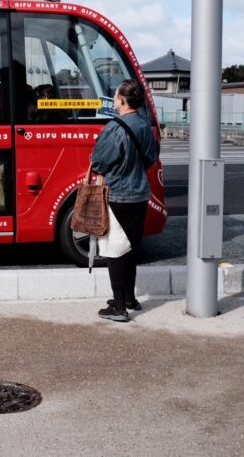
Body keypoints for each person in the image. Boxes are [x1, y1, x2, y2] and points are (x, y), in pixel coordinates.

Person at [88, 78, 159, 323]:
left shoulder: (115, 127)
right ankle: (129, 298)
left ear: (121, 99)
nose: (114, 99)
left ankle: (119, 307)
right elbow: (151, 157)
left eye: (116, 95)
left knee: (114, 250)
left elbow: (99, 161)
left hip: (118, 193)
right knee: (129, 247)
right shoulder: (144, 125)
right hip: (140, 194)